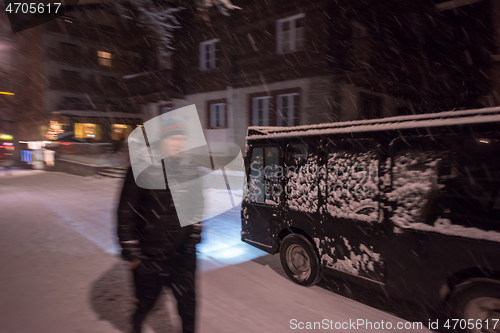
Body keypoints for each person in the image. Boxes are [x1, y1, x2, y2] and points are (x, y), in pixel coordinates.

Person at [117, 119, 203, 333]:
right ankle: (135, 327)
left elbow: (196, 207)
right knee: (145, 304)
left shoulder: (189, 169)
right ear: (161, 142)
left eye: (182, 138)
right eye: (174, 138)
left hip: (182, 255)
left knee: (189, 309)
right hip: (149, 256)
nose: (179, 143)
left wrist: (193, 239)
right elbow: (126, 212)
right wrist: (132, 254)